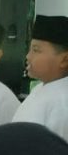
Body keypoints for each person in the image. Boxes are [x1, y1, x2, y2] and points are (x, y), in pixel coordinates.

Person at [12, 13, 68, 142]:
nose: (28, 56)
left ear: (64, 60)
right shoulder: (41, 89)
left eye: (36, 50)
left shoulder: (62, 102)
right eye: (29, 49)